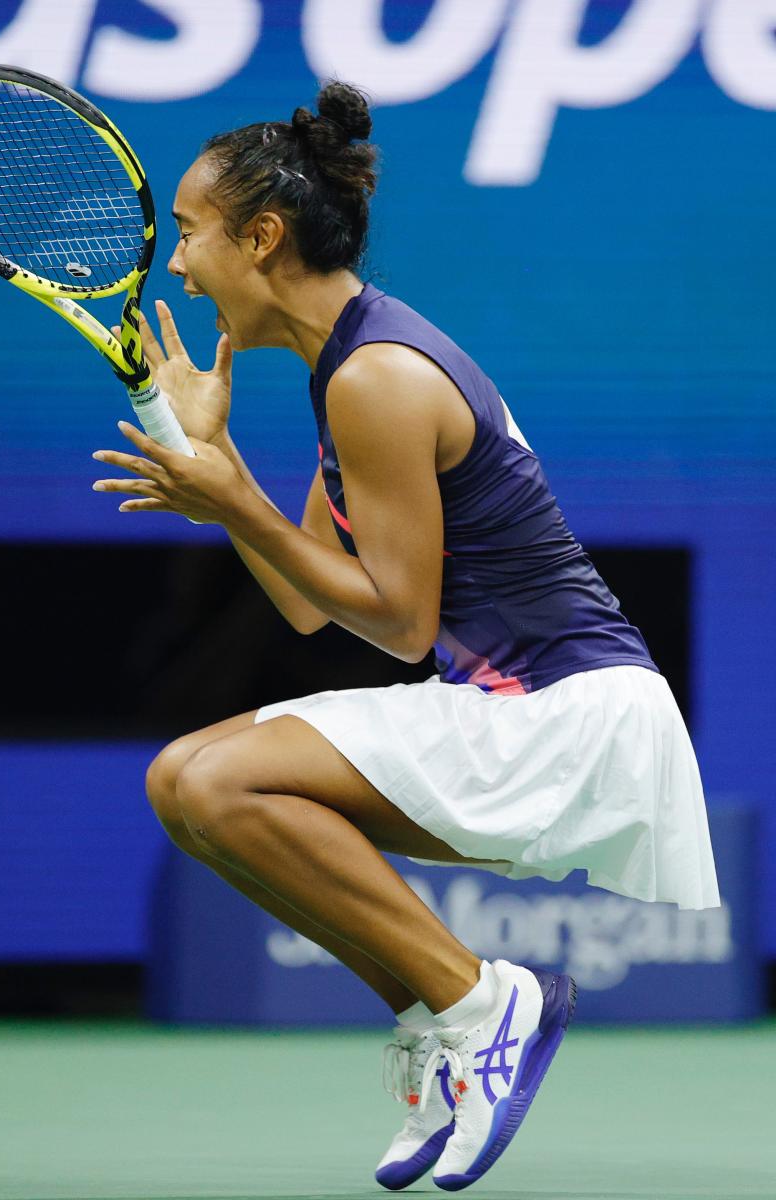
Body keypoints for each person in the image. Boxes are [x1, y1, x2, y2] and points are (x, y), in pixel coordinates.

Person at [91, 82, 720, 1192]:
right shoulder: (353, 369)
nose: (178, 265)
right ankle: (445, 1021)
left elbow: (396, 622)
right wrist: (216, 461)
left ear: (263, 236)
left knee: (221, 780)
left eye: (189, 233)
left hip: (565, 709)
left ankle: (486, 1002)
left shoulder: (378, 377)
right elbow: (304, 602)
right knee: (189, 788)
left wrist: (227, 504)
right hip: (530, 708)